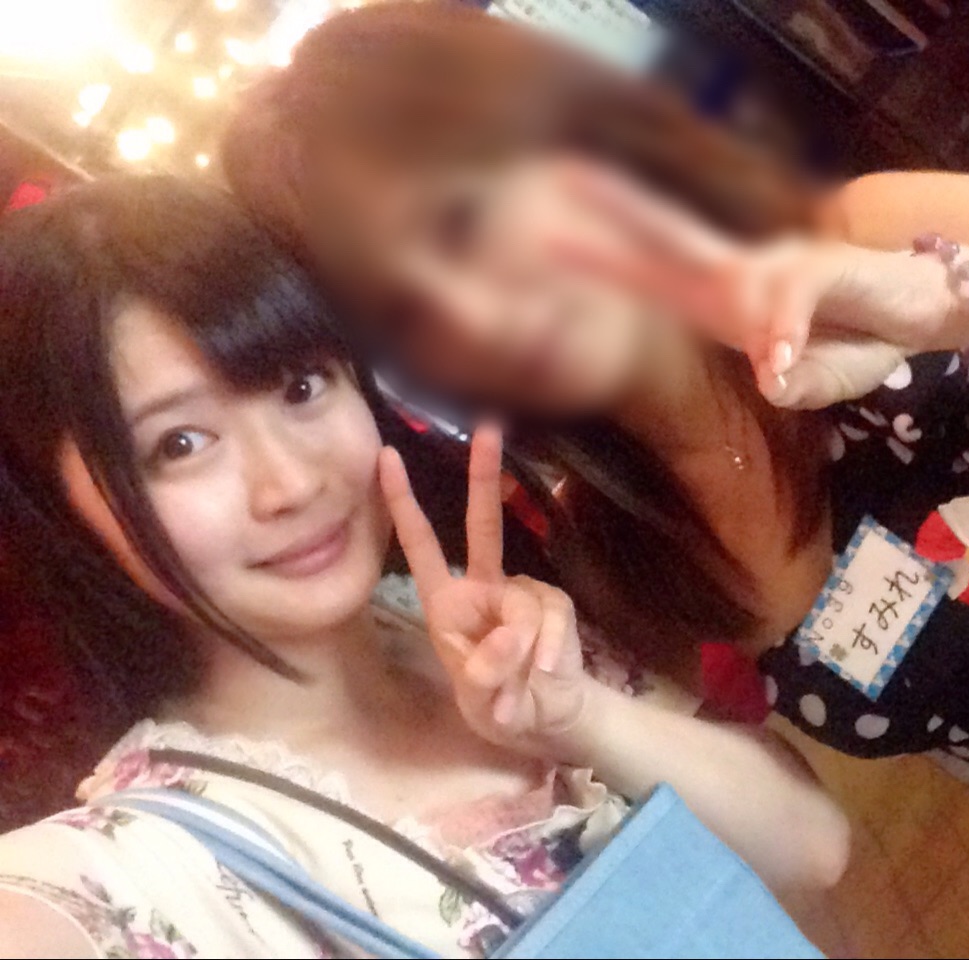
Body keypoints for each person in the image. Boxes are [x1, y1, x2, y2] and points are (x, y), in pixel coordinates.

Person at [221, 4, 969, 954]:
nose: (474, 311)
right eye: (407, 306)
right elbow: (804, 844)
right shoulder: (622, 552)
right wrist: (564, 713)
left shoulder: (868, 241)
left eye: (468, 221)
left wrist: (968, 299)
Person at [0, 177, 851, 958]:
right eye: (179, 444)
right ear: (62, 518)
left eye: (300, 386)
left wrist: (581, 718)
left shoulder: (461, 623)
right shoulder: (144, 868)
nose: (290, 483)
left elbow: (815, 845)